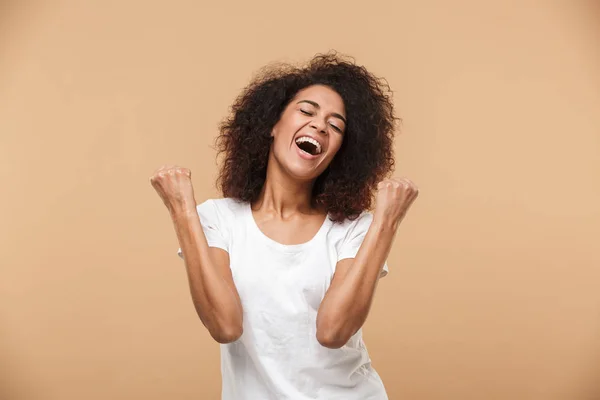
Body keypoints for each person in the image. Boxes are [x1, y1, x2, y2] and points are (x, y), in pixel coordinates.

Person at [150, 52, 419, 400]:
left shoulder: (352, 229)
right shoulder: (219, 220)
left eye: (335, 126)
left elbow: (333, 331)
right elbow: (225, 325)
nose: (320, 126)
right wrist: (182, 210)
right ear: (272, 125)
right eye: (307, 112)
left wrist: (386, 222)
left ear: (341, 150)